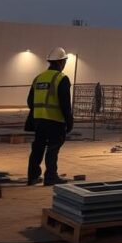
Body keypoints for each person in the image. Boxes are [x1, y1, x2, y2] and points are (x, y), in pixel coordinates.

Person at [26, 47, 73, 186]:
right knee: (53, 148)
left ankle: (32, 176)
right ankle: (50, 177)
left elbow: (30, 101)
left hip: (39, 120)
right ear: (60, 62)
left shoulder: (39, 78)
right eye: (64, 62)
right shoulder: (61, 78)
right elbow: (65, 103)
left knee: (38, 148)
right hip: (55, 121)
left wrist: (40, 111)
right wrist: (69, 121)